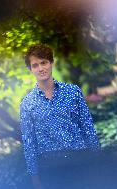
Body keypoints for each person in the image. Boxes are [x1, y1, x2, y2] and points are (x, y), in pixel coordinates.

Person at [20, 44, 100, 189]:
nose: (40, 68)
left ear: (51, 63)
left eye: (44, 62)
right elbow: (29, 142)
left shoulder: (73, 91)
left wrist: (98, 159)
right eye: (35, 65)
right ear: (30, 69)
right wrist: (35, 177)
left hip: (81, 160)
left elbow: (88, 127)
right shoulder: (27, 104)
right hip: (51, 168)